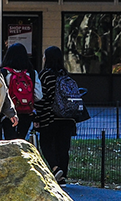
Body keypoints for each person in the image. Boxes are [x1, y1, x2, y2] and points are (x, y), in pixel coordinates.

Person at [34, 46, 76, 184]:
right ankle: (62, 175)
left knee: (46, 143)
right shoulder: (65, 75)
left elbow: (42, 98)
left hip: (51, 117)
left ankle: (55, 168)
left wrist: (38, 117)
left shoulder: (45, 75)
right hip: (68, 118)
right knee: (63, 147)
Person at [0, 43, 41, 141]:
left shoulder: (4, 73)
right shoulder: (32, 73)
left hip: (8, 113)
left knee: (9, 140)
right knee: (21, 140)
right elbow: (39, 96)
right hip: (26, 112)